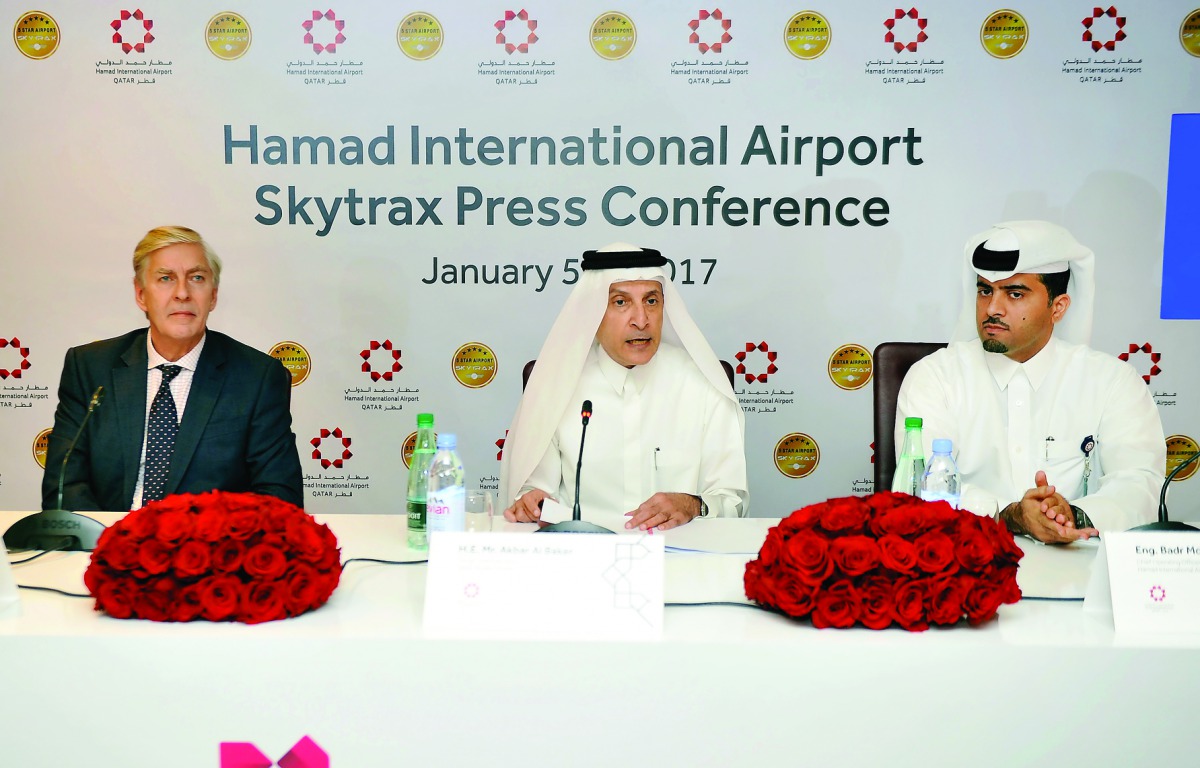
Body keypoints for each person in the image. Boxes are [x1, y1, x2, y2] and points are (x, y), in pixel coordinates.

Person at [896, 220, 1165, 543]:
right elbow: (923, 488)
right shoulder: (935, 377)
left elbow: (1140, 483)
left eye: (1014, 293)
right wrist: (1012, 516)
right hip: (966, 565)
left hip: (1079, 573)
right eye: (985, 290)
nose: (992, 309)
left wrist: (1072, 514)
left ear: (1058, 307)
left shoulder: (1111, 382)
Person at [41, 226, 304, 511]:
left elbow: (279, 497)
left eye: (197, 278)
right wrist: (112, 540)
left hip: (206, 549)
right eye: (166, 278)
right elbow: (64, 483)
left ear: (213, 295)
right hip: (108, 544)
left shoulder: (258, 377)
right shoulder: (90, 367)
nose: (182, 293)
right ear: (141, 294)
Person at [499, 243, 748, 532]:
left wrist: (694, 505)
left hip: (679, 560)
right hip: (579, 559)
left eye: (651, 301)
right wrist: (531, 501)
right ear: (593, 312)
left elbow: (733, 502)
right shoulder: (556, 383)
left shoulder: (704, 383)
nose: (641, 320)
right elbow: (532, 494)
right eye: (621, 302)